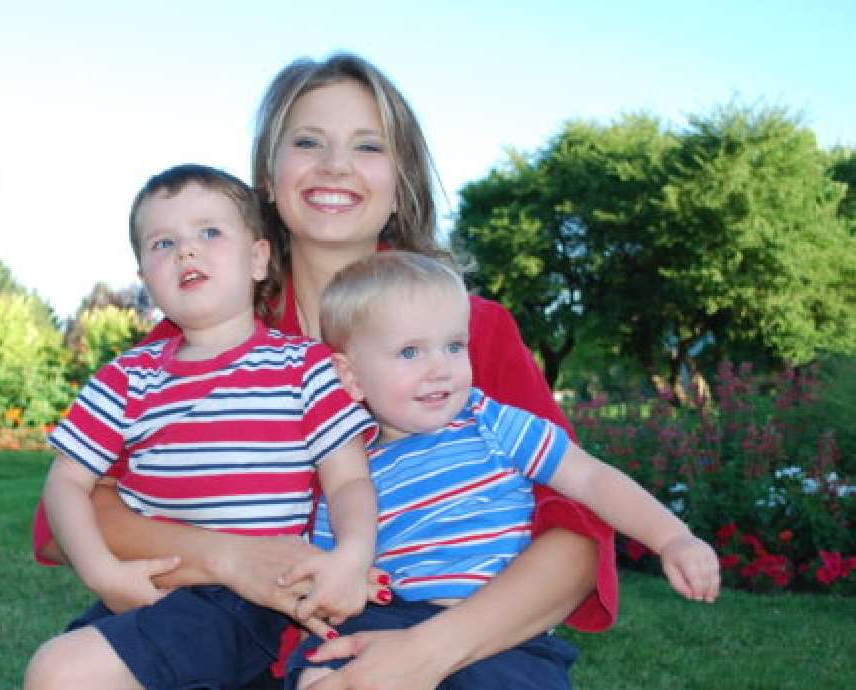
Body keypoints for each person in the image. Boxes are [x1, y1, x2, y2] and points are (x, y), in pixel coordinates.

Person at [33, 53, 619, 689]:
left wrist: (424, 654)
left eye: (368, 146)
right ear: (268, 174)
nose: (335, 165)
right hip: (226, 632)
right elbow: (78, 514)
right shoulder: (195, 337)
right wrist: (231, 558)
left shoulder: (470, 332)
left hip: (444, 637)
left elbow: (576, 538)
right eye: (308, 141)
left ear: (403, 182)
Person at [282, 250, 721, 689]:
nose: (440, 368)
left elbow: (590, 478)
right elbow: (332, 578)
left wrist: (672, 538)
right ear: (351, 375)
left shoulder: (491, 422)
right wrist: (341, 586)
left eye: (454, 346)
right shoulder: (349, 469)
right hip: (387, 620)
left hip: (499, 634)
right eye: (410, 351)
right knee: (318, 672)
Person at [24, 164, 379, 690]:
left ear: (258, 259)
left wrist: (352, 556)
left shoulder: (304, 368)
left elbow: (348, 478)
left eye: (209, 232)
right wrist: (102, 573)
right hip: (154, 583)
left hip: (245, 605)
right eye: (163, 243)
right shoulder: (126, 379)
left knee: (61, 672)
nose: (186, 251)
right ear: (145, 279)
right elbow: (65, 482)